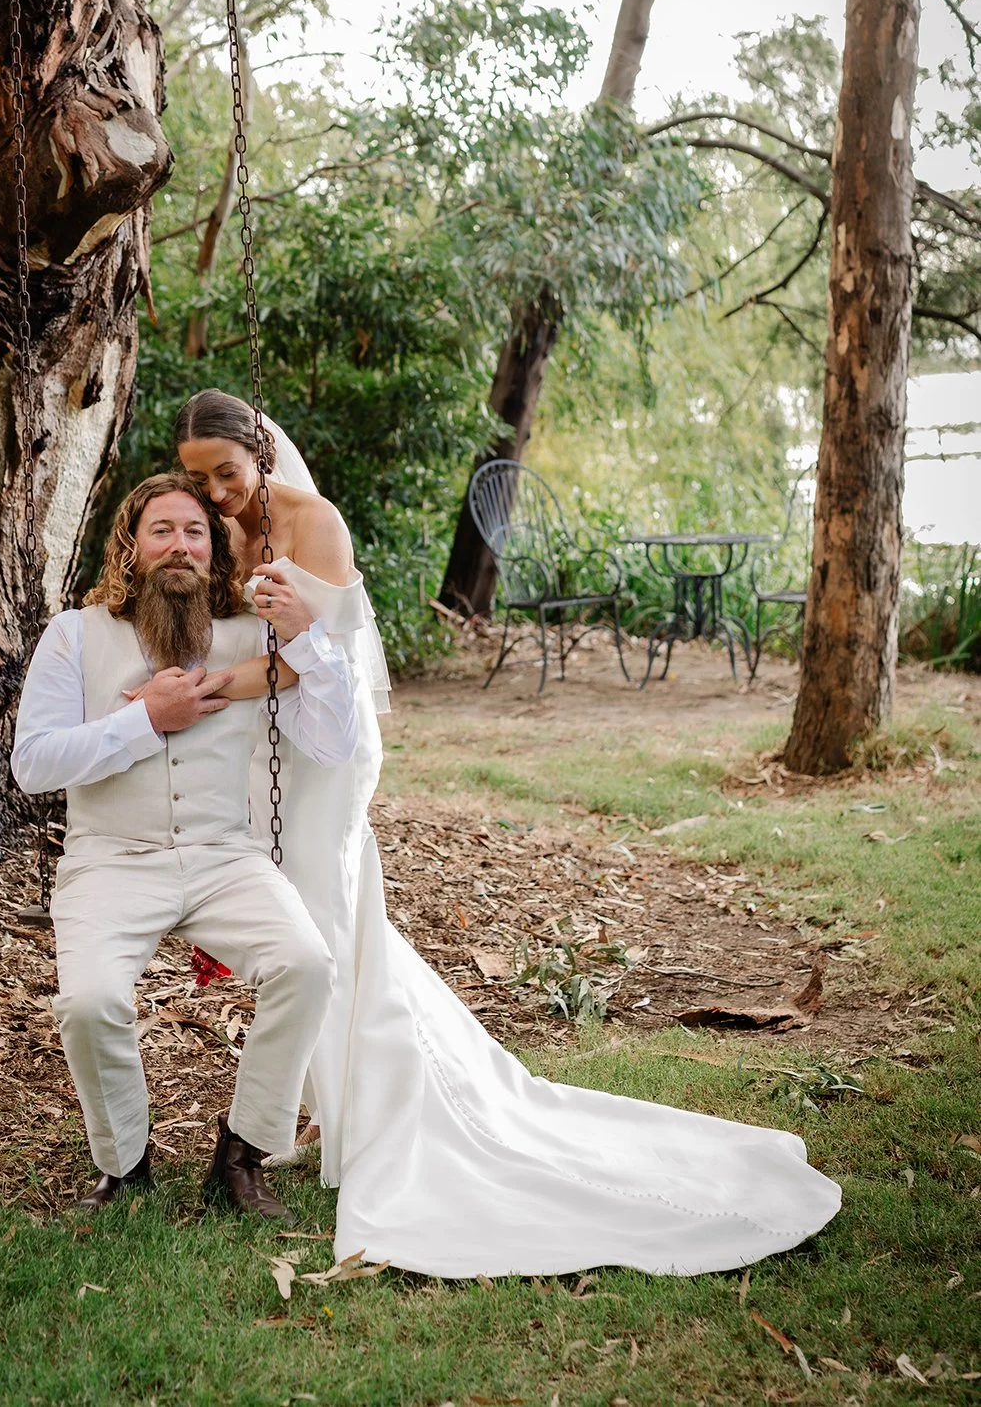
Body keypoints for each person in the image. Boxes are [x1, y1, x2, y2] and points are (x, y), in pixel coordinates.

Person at [175, 390, 843, 1278]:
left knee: (323, 917)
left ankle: (340, 1121)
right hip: (267, 752)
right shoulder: (221, 531)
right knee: (316, 925)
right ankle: (319, 1102)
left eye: (226, 473)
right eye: (200, 479)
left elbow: (318, 662)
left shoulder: (313, 522)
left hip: (325, 753)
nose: (217, 494)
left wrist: (210, 689)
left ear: (260, 452)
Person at [11, 472, 358, 1218]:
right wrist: (144, 720)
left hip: (222, 858)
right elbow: (32, 763)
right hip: (110, 857)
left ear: (214, 551)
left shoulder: (252, 640)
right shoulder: (73, 635)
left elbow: (334, 742)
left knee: (306, 964)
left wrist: (309, 634)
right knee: (91, 1002)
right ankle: (125, 1167)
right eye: (160, 530)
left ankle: (241, 1157)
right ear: (130, 547)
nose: (178, 545)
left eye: (194, 531)